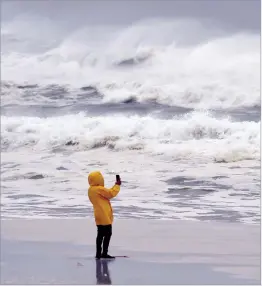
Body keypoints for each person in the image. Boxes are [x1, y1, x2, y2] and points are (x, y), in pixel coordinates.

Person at [88, 171, 121, 259]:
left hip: (98, 214)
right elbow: (111, 193)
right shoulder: (99, 189)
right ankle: (104, 253)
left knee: (100, 234)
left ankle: (98, 254)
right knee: (108, 233)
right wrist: (117, 185)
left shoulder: (91, 190)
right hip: (104, 214)